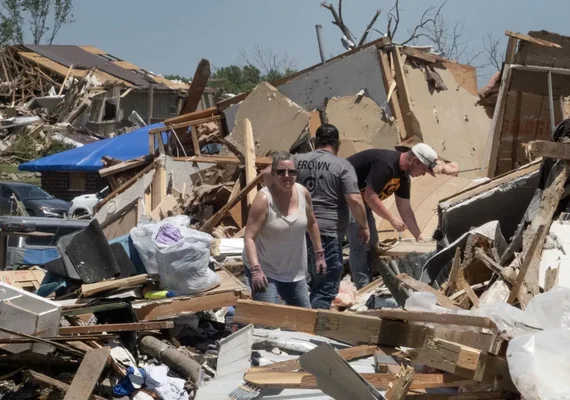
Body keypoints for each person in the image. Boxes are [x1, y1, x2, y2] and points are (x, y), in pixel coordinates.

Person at [294, 123, 370, 309]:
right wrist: (364, 225)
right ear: (338, 144)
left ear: (315, 141)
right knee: (326, 286)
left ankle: (299, 321)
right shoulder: (342, 166)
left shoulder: (295, 161)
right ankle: (312, 331)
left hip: (297, 231)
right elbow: (354, 199)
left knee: (305, 282)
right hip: (327, 233)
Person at [347, 143, 438, 289]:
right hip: (346, 199)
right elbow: (370, 196)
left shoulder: (403, 176)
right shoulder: (386, 164)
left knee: (372, 243)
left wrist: (418, 237)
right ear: (414, 160)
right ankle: (362, 288)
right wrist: (391, 219)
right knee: (360, 244)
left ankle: (367, 282)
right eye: (424, 169)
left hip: (362, 204)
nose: (423, 173)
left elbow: (405, 208)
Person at [243, 151, 326, 307]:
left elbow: (312, 223)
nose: (286, 176)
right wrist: (255, 269)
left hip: (294, 270)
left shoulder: (303, 193)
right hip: (265, 269)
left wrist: (319, 255)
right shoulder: (263, 199)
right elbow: (249, 237)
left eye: (291, 172)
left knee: (303, 320)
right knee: (268, 322)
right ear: (273, 174)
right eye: (281, 172)